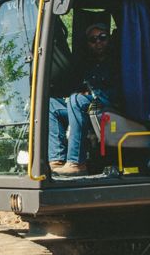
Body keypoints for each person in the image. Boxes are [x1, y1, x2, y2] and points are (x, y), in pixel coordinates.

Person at [47, 22, 120, 176]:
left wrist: (87, 96)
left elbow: (117, 91)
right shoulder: (86, 64)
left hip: (111, 108)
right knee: (52, 104)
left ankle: (77, 162)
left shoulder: (117, 60)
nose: (98, 42)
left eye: (102, 37)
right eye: (93, 40)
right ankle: (56, 159)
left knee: (77, 100)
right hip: (88, 107)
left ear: (109, 39)